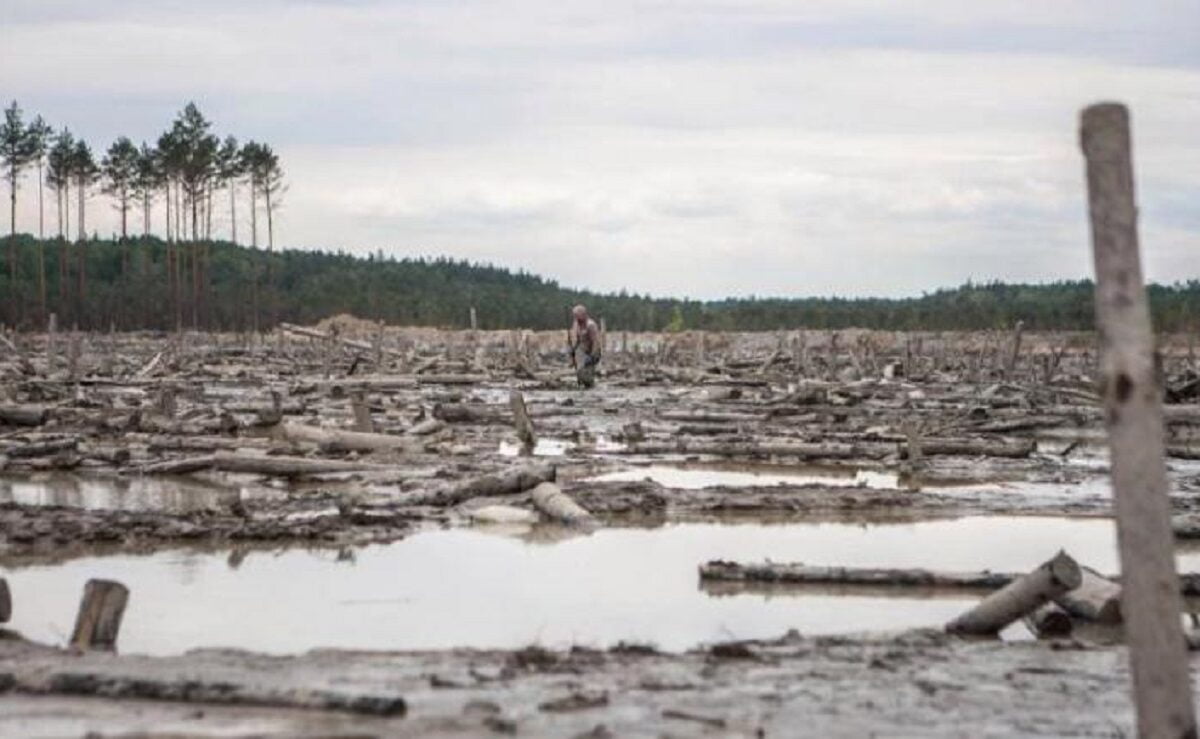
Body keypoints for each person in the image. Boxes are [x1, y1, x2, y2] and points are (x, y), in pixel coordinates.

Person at [568, 304, 601, 388]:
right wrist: (573, 349)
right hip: (582, 349)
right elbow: (577, 339)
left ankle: (590, 385)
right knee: (580, 371)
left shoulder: (591, 325)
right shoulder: (577, 325)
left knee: (586, 372)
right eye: (574, 316)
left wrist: (592, 355)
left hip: (592, 351)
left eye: (577, 316)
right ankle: (583, 384)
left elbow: (595, 342)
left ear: (583, 314)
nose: (575, 318)